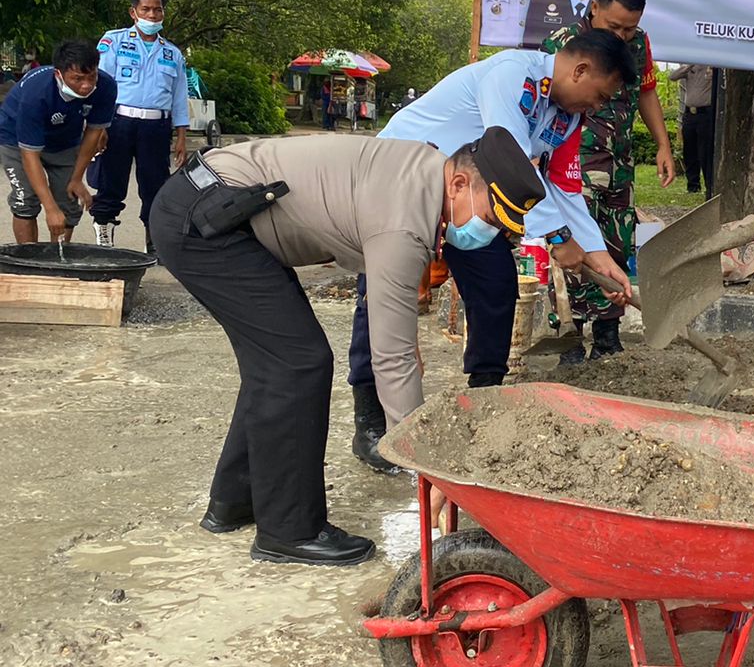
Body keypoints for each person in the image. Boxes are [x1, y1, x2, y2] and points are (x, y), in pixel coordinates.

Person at [150, 127, 548, 566]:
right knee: (298, 362)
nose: (488, 235)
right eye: (491, 220)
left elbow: (395, 332)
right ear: (458, 184)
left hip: (214, 208)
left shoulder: (424, 171)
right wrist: (429, 467)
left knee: (276, 361)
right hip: (205, 221)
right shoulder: (404, 222)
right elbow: (391, 358)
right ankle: (288, 530)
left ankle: (234, 502)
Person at [346, 30, 636, 470]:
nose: (596, 108)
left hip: (465, 198)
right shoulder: (511, 78)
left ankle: (485, 397)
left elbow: (563, 185)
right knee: (383, 299)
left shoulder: (566, 117)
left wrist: (598, 255)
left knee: (496, 286)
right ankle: (370, 420)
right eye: (598, 95)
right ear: (579, 70)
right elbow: (512, 168)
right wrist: (558, 239)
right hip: (403, 182)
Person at [543, 0, 675, 360]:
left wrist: (663, 145)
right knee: (575, 244)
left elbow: (647, 91)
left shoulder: (639, 43)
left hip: (618, 160)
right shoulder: (564, 42)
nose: (621, 35)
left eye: (629, 28)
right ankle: (570, 331)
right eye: (613, 26)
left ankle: (606, 334)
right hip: (573, 160)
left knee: (616, 240)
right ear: (595, 7)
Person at [89, 0, 189, 248]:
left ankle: (154, 239)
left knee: (155, 184)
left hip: (156, 125)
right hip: (119, 122)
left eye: (158, 10)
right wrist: (98, 127)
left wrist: (181, 135)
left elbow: (179, 96)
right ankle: (104, 233)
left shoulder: (173, 53)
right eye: (146, 9)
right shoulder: (114, 41)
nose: (152, 15)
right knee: (111, 179)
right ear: (134, 12)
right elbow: (100, 83)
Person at [0, 40, 118, 245]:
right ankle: (30, 264)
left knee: (69, 202)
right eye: (78, 79)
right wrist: (50, 208)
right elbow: (30, 156)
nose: (86, 85)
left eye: (92, 77)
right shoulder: (36, 94)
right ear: (59, 74)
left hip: (64, 139)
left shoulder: (106, 87)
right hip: (15, 139)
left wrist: (77, 178)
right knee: (26, 199)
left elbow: (93, 134)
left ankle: (57, 263)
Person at [669, 62, 715, 196]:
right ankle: (693, 185)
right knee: (689, 151)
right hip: (689, 113)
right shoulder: (688, 69)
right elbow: (672, 76)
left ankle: (709, 185)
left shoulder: (711, 68)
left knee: (705, 151)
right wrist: (689, 66)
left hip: (705, 113)